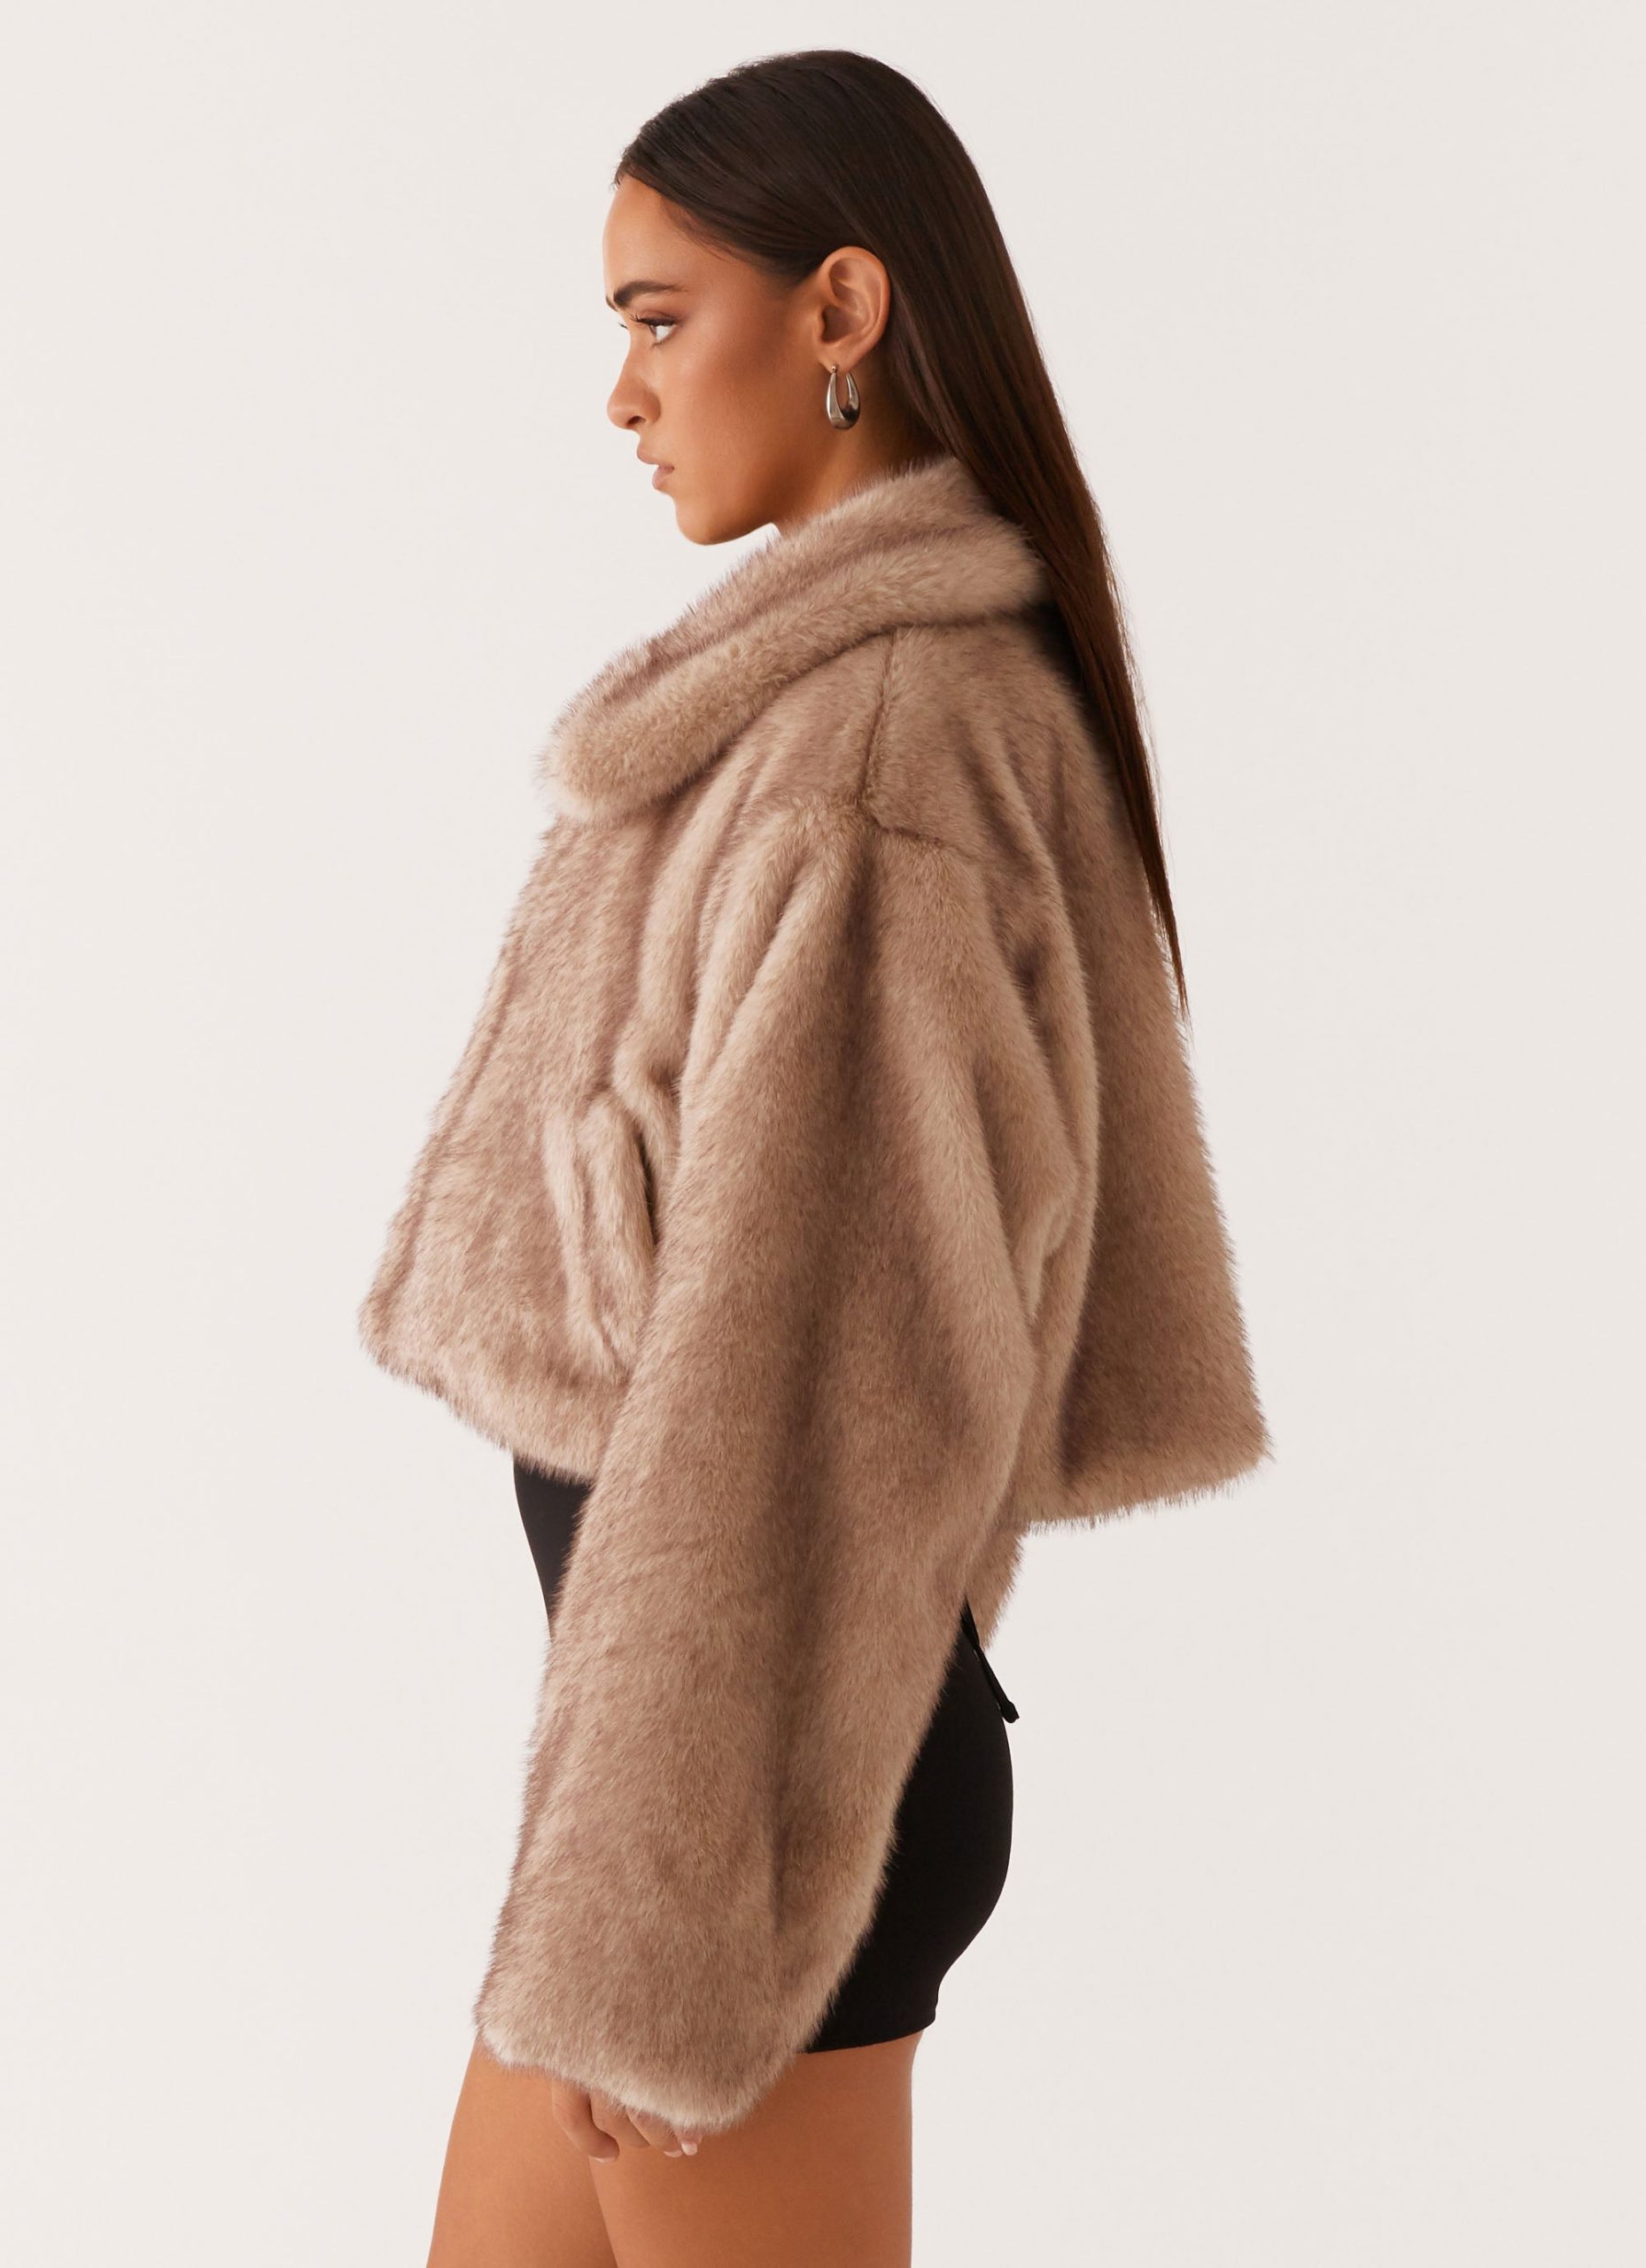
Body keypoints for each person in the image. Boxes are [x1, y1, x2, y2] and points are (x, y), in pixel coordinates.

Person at [357, 47, 1271, 2268]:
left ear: (839, 309)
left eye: (661, 319)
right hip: (692, 1774)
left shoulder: (876, 749)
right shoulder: (814, 707)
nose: (623, 393)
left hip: (742, 1808)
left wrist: (660, 1900)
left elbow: (810, 1377)